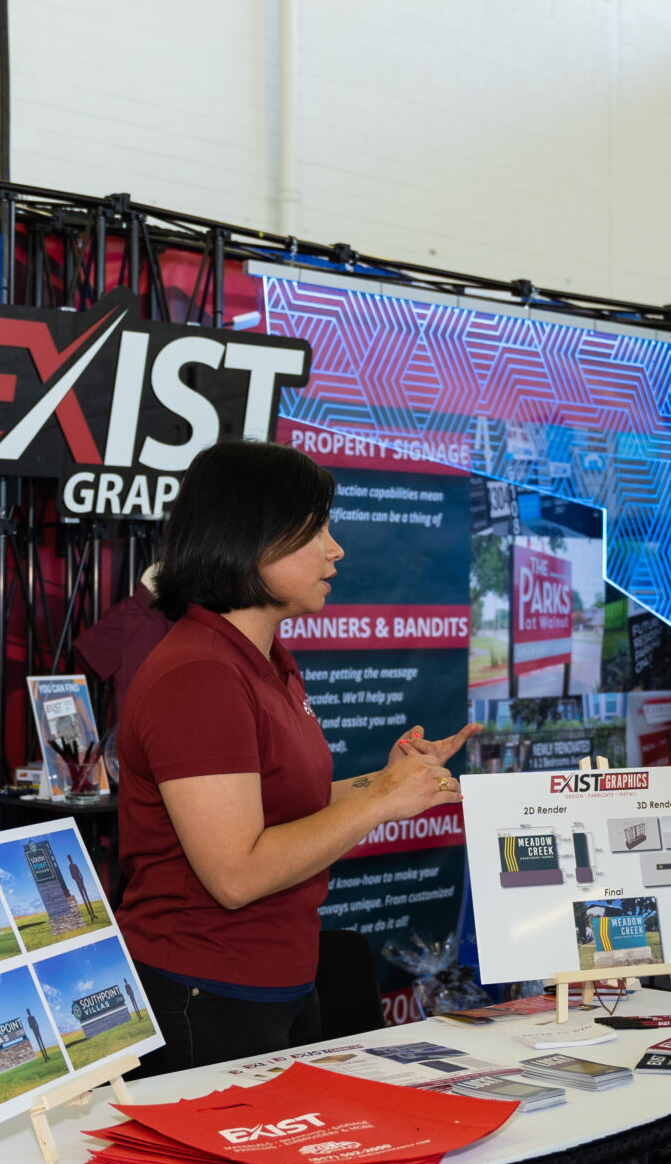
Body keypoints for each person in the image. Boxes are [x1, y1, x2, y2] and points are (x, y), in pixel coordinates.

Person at [116, 440, 479, 1070]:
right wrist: (382, 802)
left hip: (278, 978)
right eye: (315, 530)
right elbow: (237, 875)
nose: (335, 549)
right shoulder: (199, 674)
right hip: (205, 992)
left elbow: (284, 807)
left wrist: (386, 782)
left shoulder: (262, 659)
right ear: (250, 537)